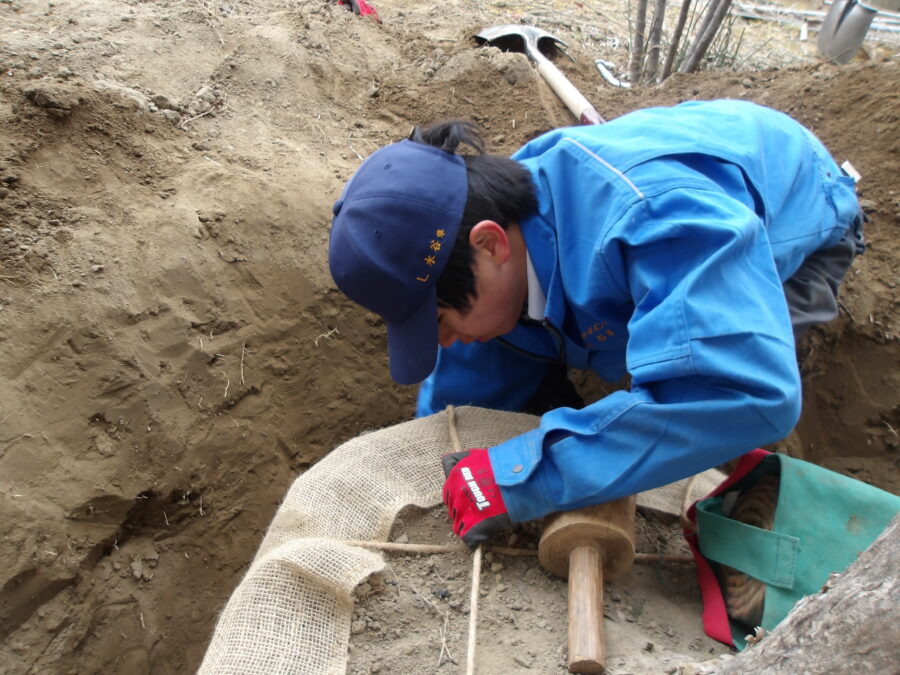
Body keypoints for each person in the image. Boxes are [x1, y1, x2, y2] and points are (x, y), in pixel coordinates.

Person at [328, 100, 865, 547]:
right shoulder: (487, 248)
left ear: (489, 244)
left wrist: (531, 477)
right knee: (499, 366)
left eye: (440, 319)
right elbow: (454, 415)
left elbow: (747, 393)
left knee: (708, 396)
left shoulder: (662, 222)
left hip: (797, 215)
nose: (443, 341)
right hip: (655, 207)